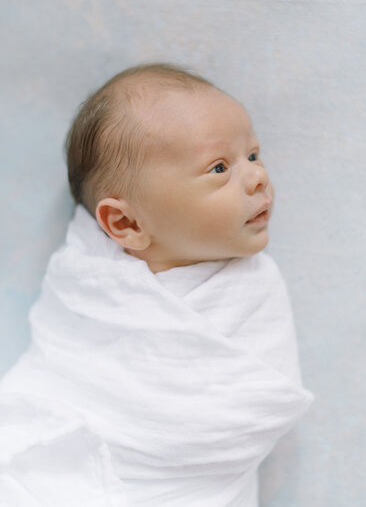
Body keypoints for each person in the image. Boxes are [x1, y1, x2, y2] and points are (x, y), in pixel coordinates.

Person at [0, 63, 314, 506]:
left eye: (254, 154)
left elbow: (245, 417)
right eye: (220, 167)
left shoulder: (252, 288)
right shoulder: (89, 282)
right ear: (126, 222)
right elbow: (58, 371)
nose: (258, 176)